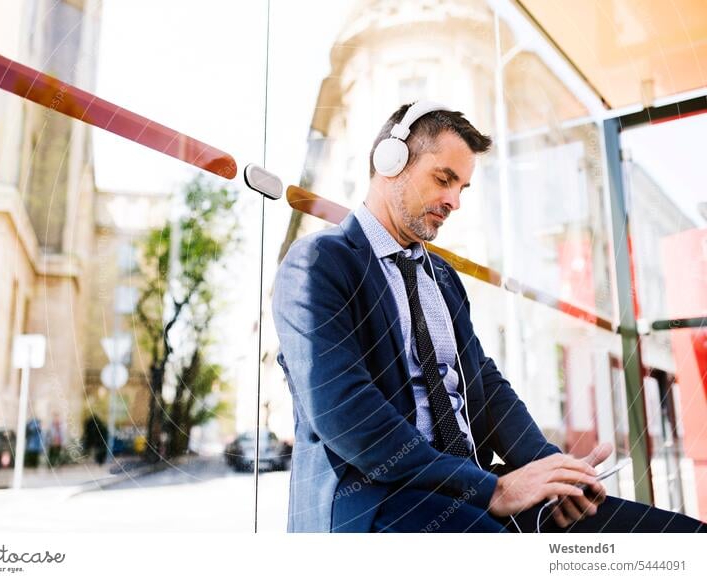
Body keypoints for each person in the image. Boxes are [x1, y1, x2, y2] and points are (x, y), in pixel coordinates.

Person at [271, 100, 707, 533]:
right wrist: (490, 490)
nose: (454, 201)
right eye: (444, 179)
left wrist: (550, 471)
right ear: (391, 161)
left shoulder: (441, 277)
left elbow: (485, 383)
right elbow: (347, 413)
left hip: (469, 486)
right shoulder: (318, 262)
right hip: (378, 502)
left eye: (462, 187)